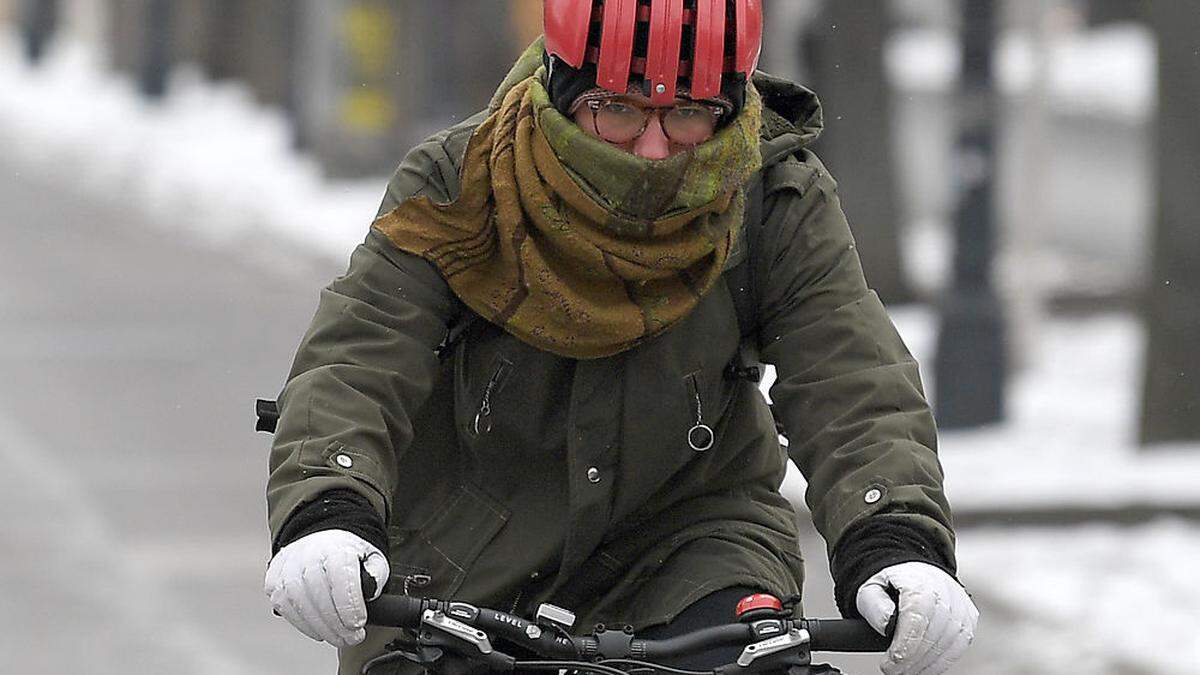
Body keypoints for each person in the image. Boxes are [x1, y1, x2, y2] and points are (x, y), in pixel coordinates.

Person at [263, 2, 979, 674]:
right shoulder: (459, 182)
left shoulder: (774, 196)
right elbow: (359, 353)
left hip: (698, 546)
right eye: (619, 108)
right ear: (561, 92)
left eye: (692, 114)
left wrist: (894, 534)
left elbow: (849, 374)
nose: (655, 147)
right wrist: (328, 503)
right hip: (464, 558)